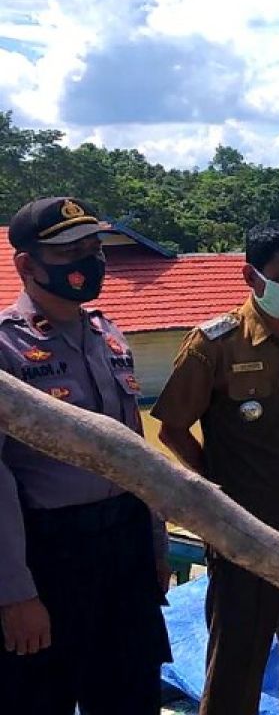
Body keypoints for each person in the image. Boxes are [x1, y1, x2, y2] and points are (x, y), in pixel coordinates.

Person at [152, 221, 279, 715]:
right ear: (252, 277)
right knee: (238, 654)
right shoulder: (214, 345)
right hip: (243, 527)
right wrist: (218, 489)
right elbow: (170, 429)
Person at [0, 197, 171, 714]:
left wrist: (155, 543)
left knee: (131, 695)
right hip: (48, 556)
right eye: (70, 252)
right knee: (40, 699)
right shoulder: (6, 348)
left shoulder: (109, 335)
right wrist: (15, 593)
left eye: (94, 249)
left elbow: (138, 450)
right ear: (27, 265)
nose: (88, 262)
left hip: (125, 549)